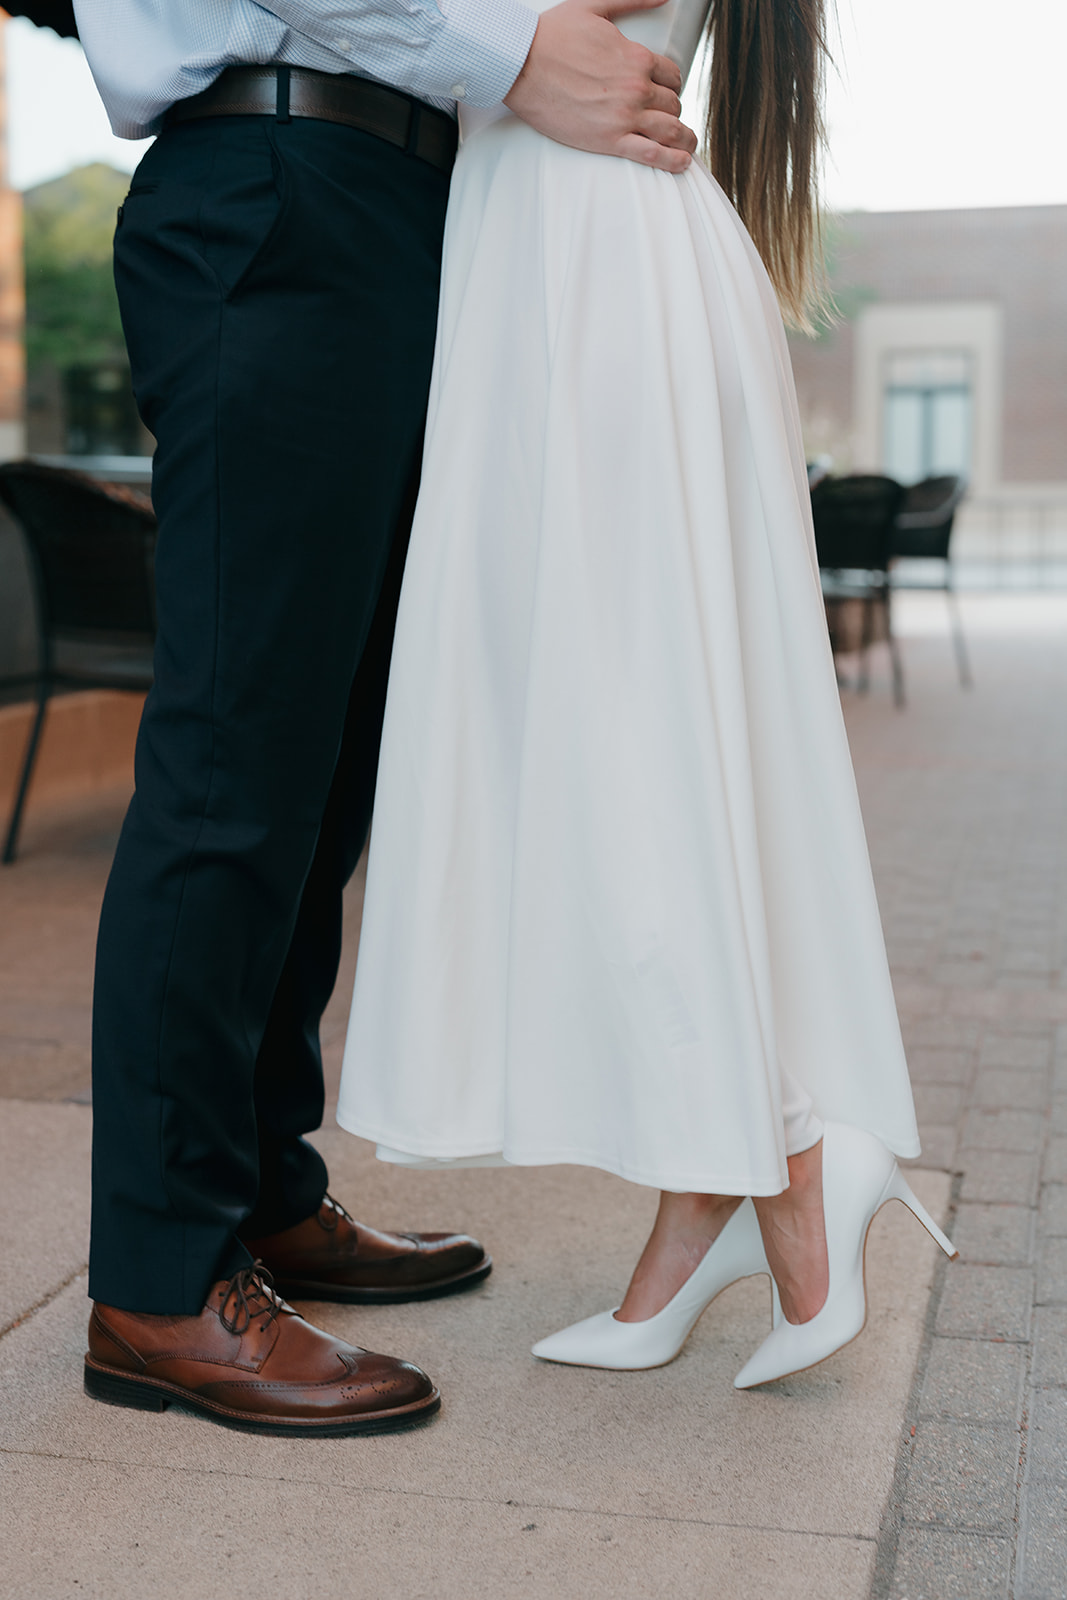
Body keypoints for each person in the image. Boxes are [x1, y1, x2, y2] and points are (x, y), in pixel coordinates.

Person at [74, 0, 698, 1437]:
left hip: (400, 202)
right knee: (237, 754)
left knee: (327, 759)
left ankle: (263, 1185)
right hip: (275, 178)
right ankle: (159, 1278)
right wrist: (521, 49)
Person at [338, 0, 958, 1387]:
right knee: (639, 739)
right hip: (574, 243)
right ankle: (716, 1198)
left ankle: (790, 1169)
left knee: (629, 744)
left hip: (588, 259)